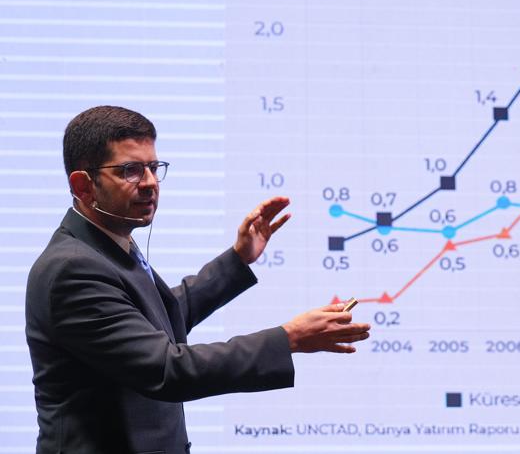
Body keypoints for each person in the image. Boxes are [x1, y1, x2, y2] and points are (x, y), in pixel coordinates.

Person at [25, 105, 370, 454]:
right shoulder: (73, 268)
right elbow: (166, 369)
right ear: (84, 186)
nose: (149, 182)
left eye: (153, 167)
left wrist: (237, 260)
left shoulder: (107, 244)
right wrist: (288, 338)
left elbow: (162, 314)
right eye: (131, 170)